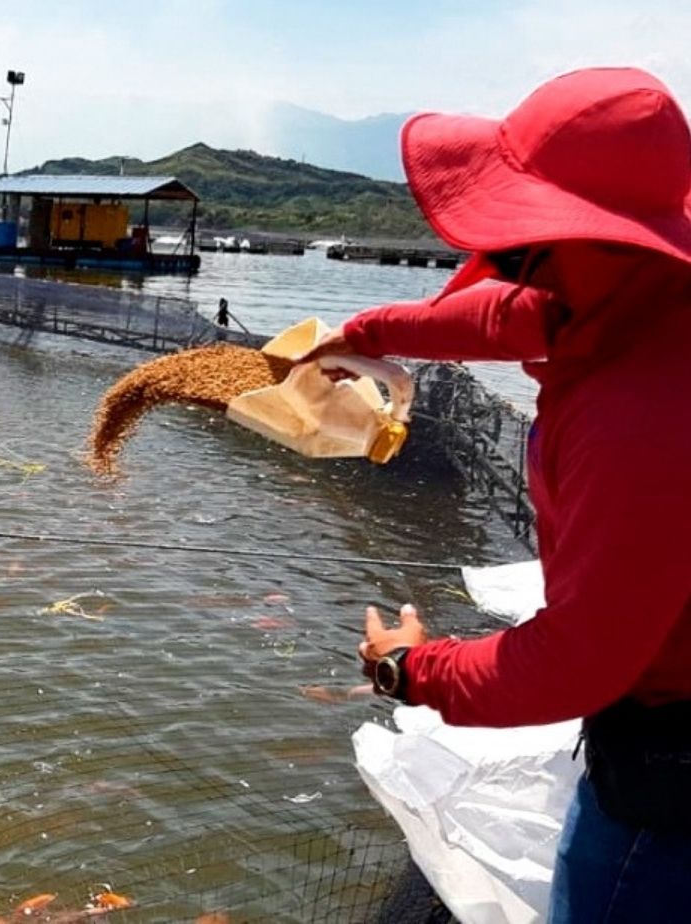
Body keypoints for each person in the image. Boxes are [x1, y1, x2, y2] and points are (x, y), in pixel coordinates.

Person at [304, 67, 691, 922]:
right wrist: (360, 334)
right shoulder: (643, 293)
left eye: (521, 237)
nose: (503, 257)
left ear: (578, 238)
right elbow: (506, 318)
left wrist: (411, 669)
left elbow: (580, 660)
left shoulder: (641, 416)